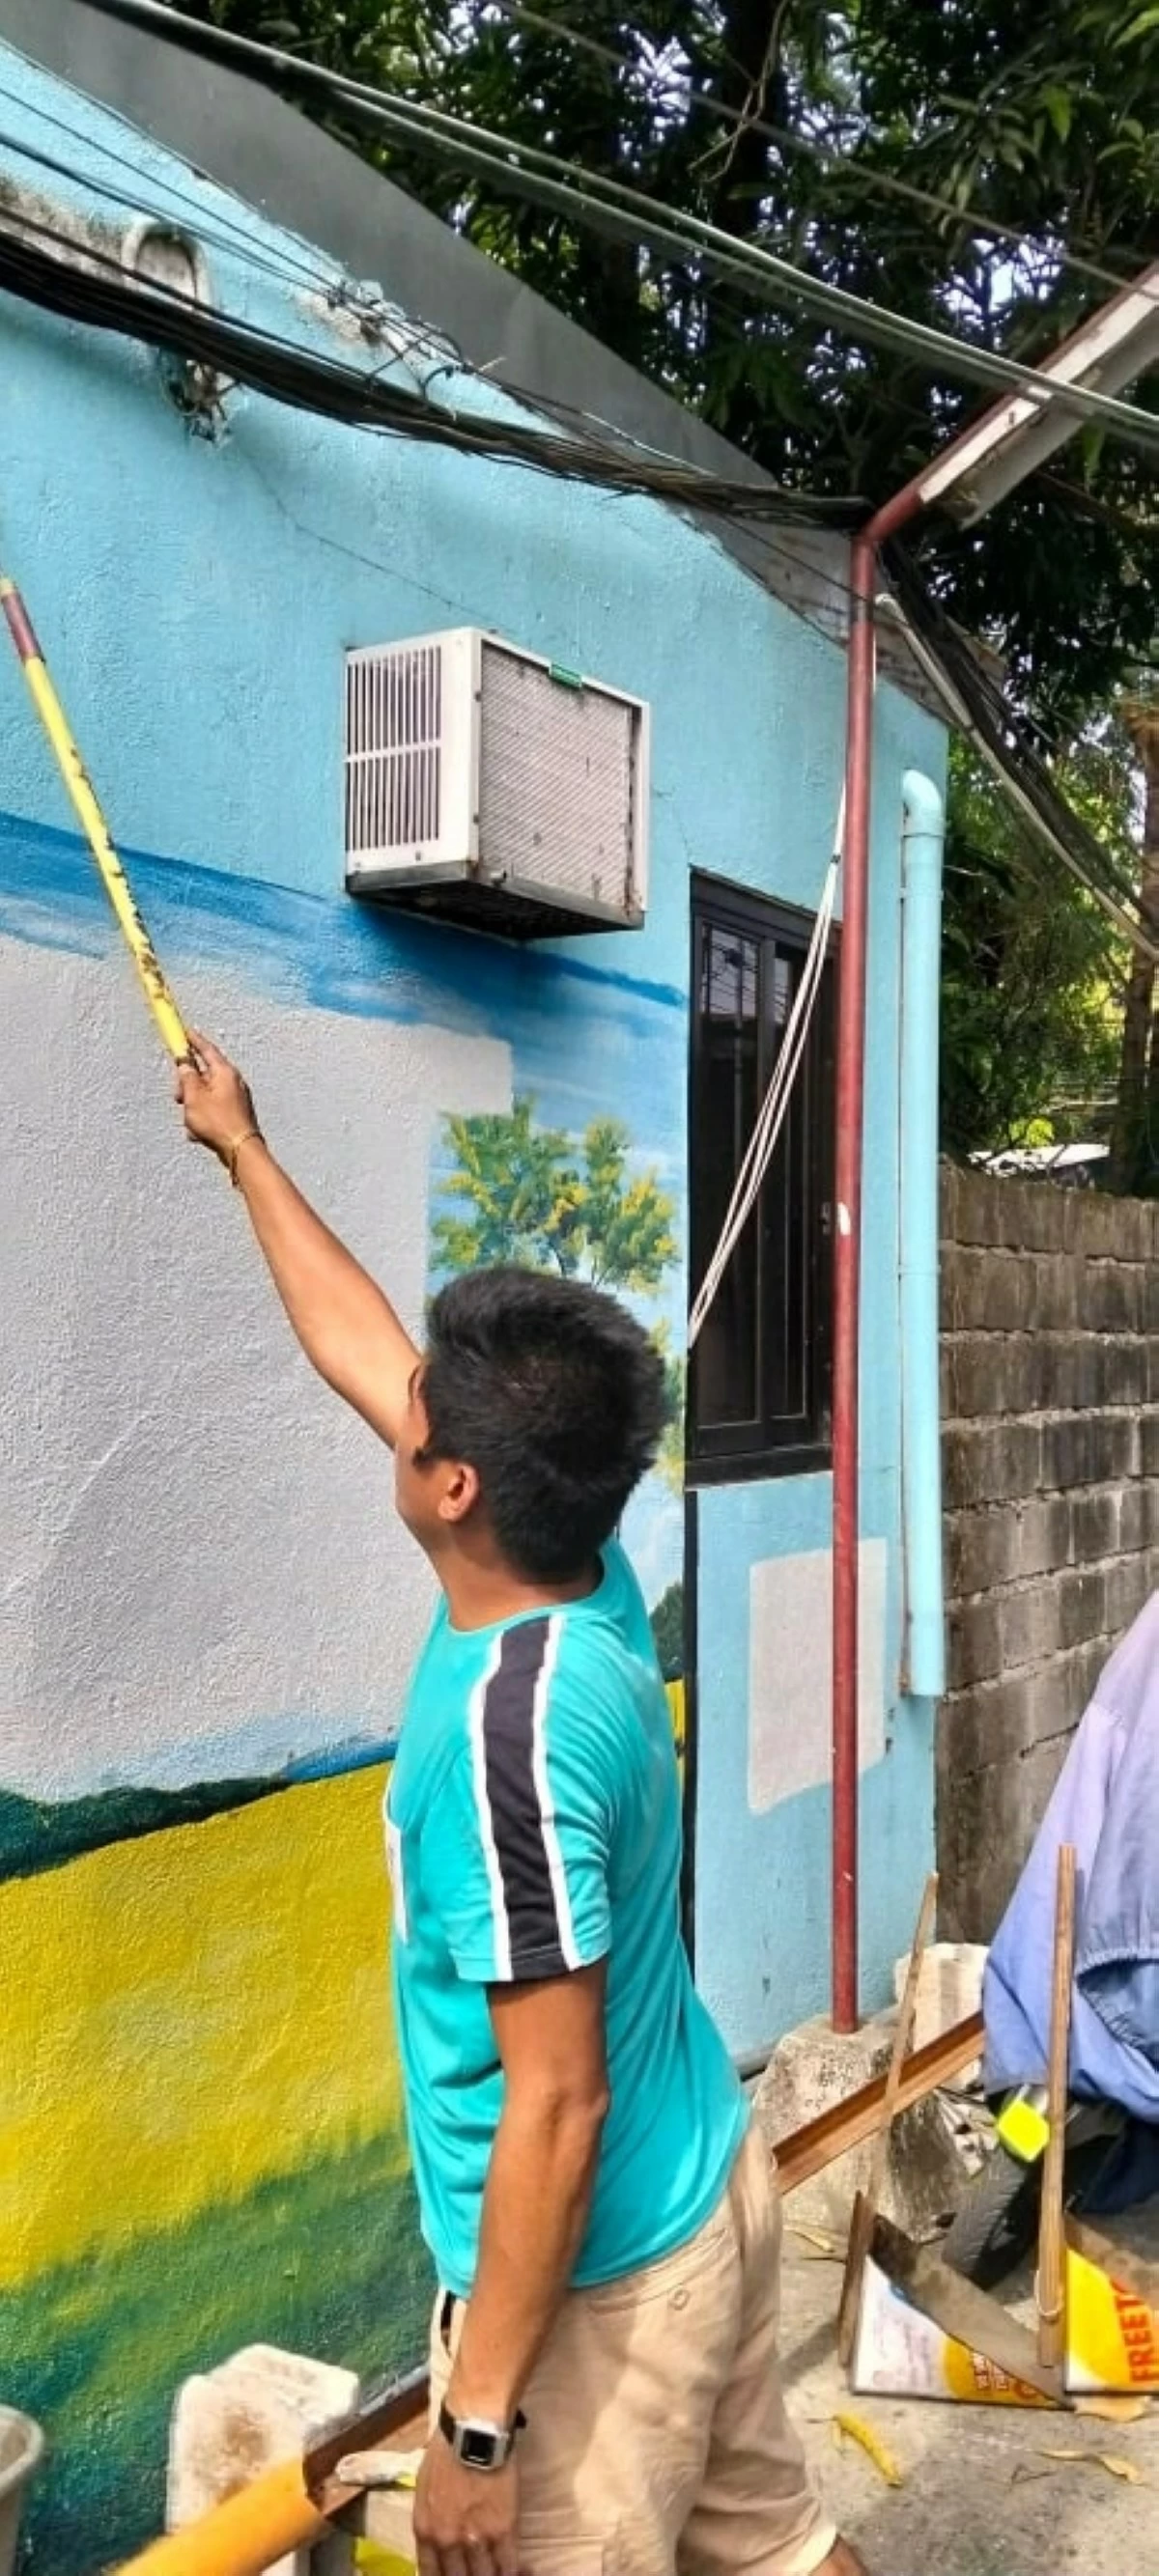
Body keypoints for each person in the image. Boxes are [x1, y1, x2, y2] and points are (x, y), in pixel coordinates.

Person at [176, 1034, 867, 2576]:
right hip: (705, 2189)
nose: (399, 1402)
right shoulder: (581, 1564)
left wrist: (479, 2428)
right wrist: (245, 1148)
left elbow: (557, 2100)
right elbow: (362, 1345)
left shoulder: (513, 1735)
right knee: (780, 2549)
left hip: (603, 2299)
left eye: (424, 1410)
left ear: (455, 1490)